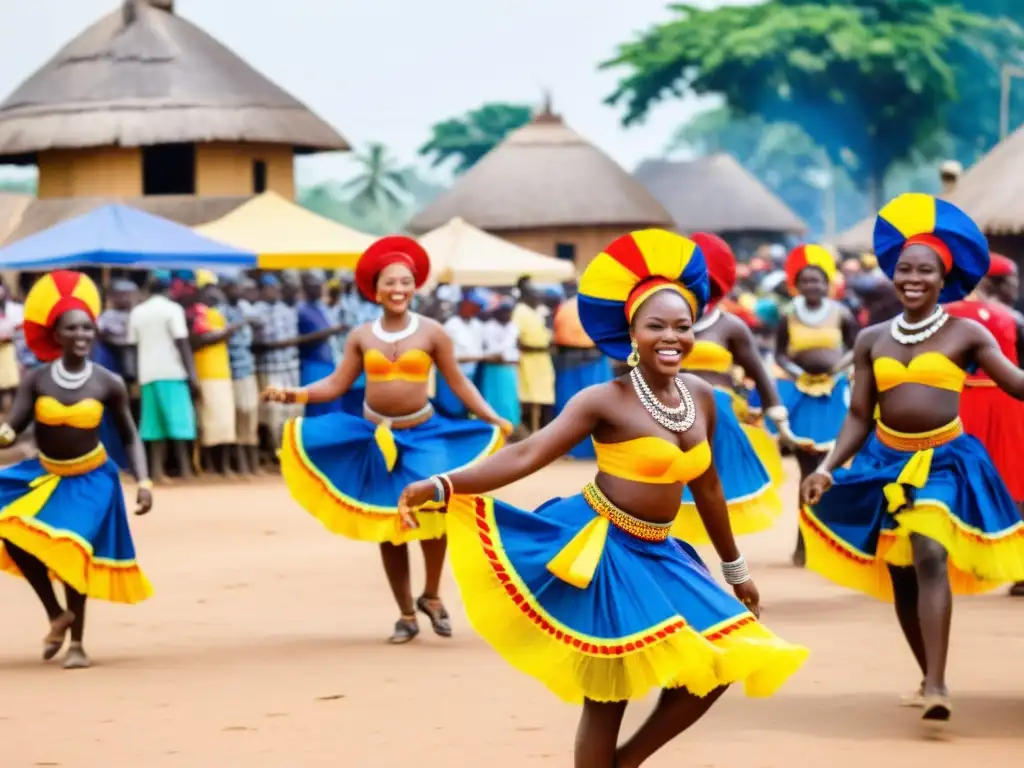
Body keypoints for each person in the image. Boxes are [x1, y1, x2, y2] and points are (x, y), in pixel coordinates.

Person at [397, 230, 806, 768]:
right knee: (608, 696)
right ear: (631, 333)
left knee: (724, 663)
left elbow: (707, 486)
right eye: (655, 326)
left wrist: (734, 569)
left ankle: (624, 762)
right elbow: (527, 454)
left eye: (681, 327)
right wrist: (443, 484)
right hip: (604, 553)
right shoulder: (602, 400)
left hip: (664, 552)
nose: (671, 337)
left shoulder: (703, 398)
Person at [800, 194, 1024, 721]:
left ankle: (940, 686)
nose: (914, 278)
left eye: (926, 270)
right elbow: (858, 415)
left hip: (946, 459)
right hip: (883, 460)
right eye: (905, 269)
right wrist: (828, 468)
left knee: (928, 550)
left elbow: (1014, 383)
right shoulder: (873, 338)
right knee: (901, 570)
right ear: (892, 274)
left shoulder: (969, 333)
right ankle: (927, 674)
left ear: (944, 278)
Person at [263, 236, 512, 643]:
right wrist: (295, 394)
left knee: (433, 510)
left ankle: (432, 595)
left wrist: (491, 416)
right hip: (377, 438)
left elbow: (458, 382)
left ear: (414, 287)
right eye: (389, 283)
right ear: (375, 290)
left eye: (405, 282)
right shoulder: (361, 335)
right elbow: (337, 383)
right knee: (388, 525)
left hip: (427, 435)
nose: (398, 290)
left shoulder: (433, 332)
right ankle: (406, 614)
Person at [0, 271, 153, 669]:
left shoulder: (108, 382)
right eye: (73, 328)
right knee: (10, 529)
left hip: (92, 479)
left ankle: (78, 645)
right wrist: (3, 433)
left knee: (71, 548)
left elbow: (131, 436)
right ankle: (56, 613)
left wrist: (144, 481)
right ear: (58, 334)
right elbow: (14, 426)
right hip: (47, 473)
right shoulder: (37, 379)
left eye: (88, 327)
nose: (82, 334)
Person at [675, 233, 788, 543]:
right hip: (667, 411)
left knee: (710, 495)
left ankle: (727, 564)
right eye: (688, 280)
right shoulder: (664, 320)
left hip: (717, 413)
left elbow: (759, 373)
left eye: (702, 280)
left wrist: (779, 418)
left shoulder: (730, 326)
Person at [944, 253, 1024, 598]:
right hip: (1008, 402)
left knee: (958, 480)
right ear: (993, 283)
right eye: (1012, 281)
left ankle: (958, 565)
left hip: (958, 405)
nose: (1016, 287)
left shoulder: (946, 315)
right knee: (1016, 480)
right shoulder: (1013, 319)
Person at [772, 244, 858, 566]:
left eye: (818, 281)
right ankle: (804, 542)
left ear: (828, 284)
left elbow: (856, 346)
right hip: (802, 396)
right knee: (806, 467)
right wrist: (795, 371)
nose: (812, 287)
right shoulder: (788, 316)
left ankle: (832, 541)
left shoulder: (841, 313)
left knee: (830, 467)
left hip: (833, 395)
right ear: (797, 285)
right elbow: (780, 353)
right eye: (806, 281)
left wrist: (839, 368)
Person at [128, 271, 199, 483]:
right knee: (179, 423)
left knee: (153, 424)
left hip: (148, 374)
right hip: (172, 372)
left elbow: (132, 345)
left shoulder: (137, 312)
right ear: (169, 289)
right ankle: (185, 470)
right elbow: (182, 343)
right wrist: (192, 375)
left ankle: (157, 472)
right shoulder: (173, 309)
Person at [188, 281, 246, 478]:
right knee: (210, 422)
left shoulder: (217, 314)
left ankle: (224, 466)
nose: (214, 296)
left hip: (222, 372)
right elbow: (195, 341)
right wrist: (226, 333)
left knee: (226, 423)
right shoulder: (198, 314)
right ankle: (210, 466)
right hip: (206, 373)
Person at [552, 282, 613, 459]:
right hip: (590, 359)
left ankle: (573, 449)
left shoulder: (564, 307)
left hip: (572, 360)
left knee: (573, 405)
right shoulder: (596, 307)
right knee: (597, 403)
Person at [252, 275, 302, 455]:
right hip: (269, 368)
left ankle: (292, 450)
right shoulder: (255, 312)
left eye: (275, 288)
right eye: (269, 288)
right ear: (262, 291)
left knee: (294, 410)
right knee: (273, 412)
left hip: (291, 367)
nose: (273, 292)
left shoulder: (287, 311)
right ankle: (277, 451)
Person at [219, 277, 262, 476]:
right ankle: (241, 465)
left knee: (251, 412)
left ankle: (253, 465)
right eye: (233, 287)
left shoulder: (244, 308)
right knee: (238, 413)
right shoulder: (222, 311)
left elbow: (259, 323)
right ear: (226, 289)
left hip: (248, 367)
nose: (237, 291)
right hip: (232, 369)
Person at [296, 274, 347, 418]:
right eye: (315, 287)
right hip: (312, 364)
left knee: (331, 402)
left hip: (328, 362)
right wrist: (328, 332)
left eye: (320, 286)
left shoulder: (321, 307)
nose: (319, 290)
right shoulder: (301, 310)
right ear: (306, 289)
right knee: (315, 404)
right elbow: (297, 339)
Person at [513, 276, 555, 433]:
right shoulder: (519, 312)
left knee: (545, 398)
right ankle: (529, 433)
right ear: (525, 295)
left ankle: (544, 433)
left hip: (543, 359)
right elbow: (515, 339)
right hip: (528, 360)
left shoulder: (538, 311)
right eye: (534, 295)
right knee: (528, 399)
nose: (537, 298)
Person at [436, 291, 486, 418]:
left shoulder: (477, 325)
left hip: (470, 374)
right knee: (449, 410)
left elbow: (478, 350)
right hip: (451, 375)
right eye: (472, 306)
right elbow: (448, 356)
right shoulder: (451, 325)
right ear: (464, 305)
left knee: (466, 410)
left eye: (478, 307)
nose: (475, 310)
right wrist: (482, 357)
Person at [479, 298, 521, 431]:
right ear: (496, 313)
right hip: (493, 368)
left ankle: (511, 427)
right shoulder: (487, 328)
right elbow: (487, 349)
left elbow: (516, 346)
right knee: (493, 398)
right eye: (503, 312)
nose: (507, 315)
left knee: (509, 400)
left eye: (509, 312)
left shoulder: (514, 327)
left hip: (509, 368)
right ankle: (493, 426)